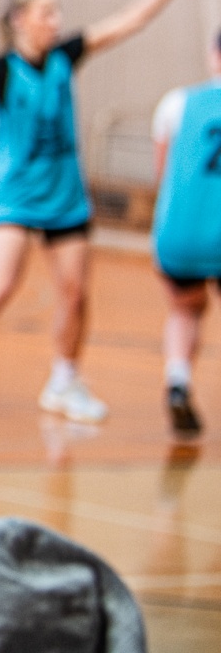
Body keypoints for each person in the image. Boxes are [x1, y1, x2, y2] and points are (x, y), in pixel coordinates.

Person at [0, 0, 198, 424]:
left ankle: (64, 382)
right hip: (17, 197)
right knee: (0, 285)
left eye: (57, 11)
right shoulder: (2, 68)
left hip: (66, 199)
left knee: (76, 293)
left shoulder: (67, 55)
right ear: (20, 19)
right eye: (47, 12)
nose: (57, 19)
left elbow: (128, 21)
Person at [150, 29, 221, 437]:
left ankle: (178, 381)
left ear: (214, 55)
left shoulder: (177, 103)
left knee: (185, 310)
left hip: (180, 233)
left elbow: (164, 175)